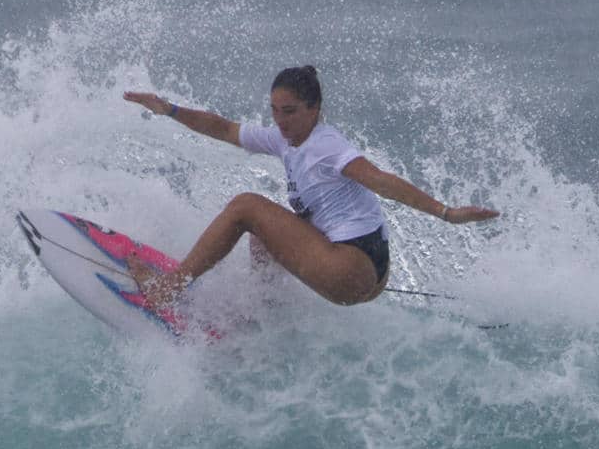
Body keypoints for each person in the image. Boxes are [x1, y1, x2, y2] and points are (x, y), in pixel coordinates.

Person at [121, 66, 499, 310]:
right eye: (275, 110)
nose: (280, 120)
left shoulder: (326, 146)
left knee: (245, 207)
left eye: (290, 111)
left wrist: (446, 213)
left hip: (351, 268)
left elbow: (380, 181)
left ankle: (168, 289)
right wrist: (170, 110)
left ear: (314, 109)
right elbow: (223, 129)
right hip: (367, 273)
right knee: (263, 236)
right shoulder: (284, 139)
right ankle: (265, 318)